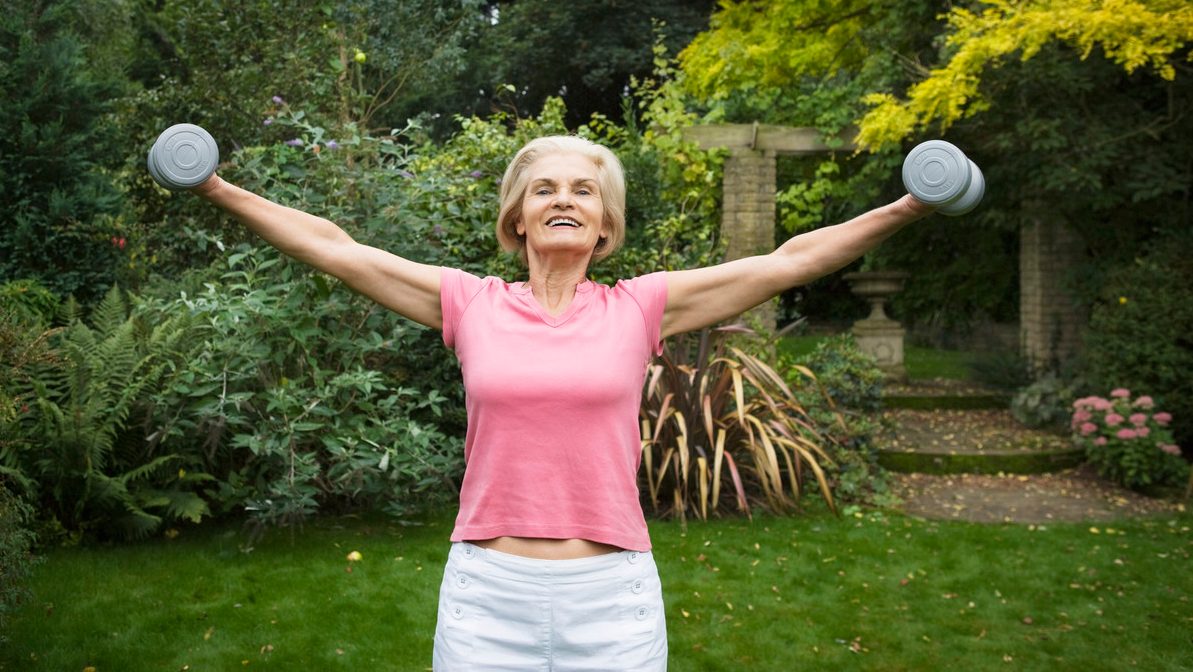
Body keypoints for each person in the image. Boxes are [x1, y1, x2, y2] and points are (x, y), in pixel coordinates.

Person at [192, 134, 934, 670]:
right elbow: (335, 249)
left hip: (610, 596)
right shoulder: (469, 303)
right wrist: (214, 188)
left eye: (583, 191)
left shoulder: (640, 307)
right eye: (544, 189)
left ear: (605, 226)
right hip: (488, 594)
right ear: (517, 218)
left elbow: (788, 262)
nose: (564, 200)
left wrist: (905, 205)